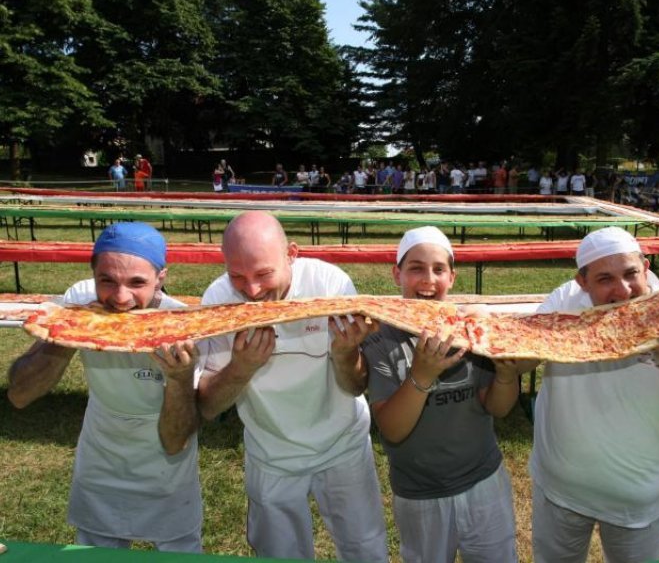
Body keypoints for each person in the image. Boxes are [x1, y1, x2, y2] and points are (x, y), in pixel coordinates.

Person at [529, 227, 659, 563]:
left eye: (630, 274)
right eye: (605, 279)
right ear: (582, 283)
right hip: (558, 489)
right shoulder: (565, 301)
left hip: (637, 501)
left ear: (647, 267)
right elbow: (524, 348)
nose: (623, 291)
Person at [196, 212, 388, 561]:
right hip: (270, 453)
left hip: (342, 442)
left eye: (264, 274)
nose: (252, 291)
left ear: (292, 254)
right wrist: (241, 368)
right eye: (237, 275)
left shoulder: (330, 284)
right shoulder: (218, 299)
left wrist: (345, 354)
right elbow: (207, 407)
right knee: (278, 554)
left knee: (365, 548)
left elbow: (356, 385)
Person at [7, 222, 202, 552]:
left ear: (161, 279)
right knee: (96, 555)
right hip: (102, 452)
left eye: (137, 283)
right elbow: (20, 394)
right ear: (92, 274)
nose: (121, 298)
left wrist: (181, 378)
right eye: (107, 281)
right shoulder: (79, 301)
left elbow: (175, 440)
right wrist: (70, 335)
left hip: (167, 464)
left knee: (178, 553)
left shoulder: (181, 326)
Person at [363, 226, 526, 562]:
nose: (428, 279)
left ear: (452, 277)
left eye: (439, 269)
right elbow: (392, 430)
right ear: (397, 274)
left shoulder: (472, 329)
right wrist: (422, 374)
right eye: (416, 268)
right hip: (420, 493)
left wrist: (507, 377)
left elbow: (496, 408)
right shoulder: (380, 338)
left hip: (484, 480)